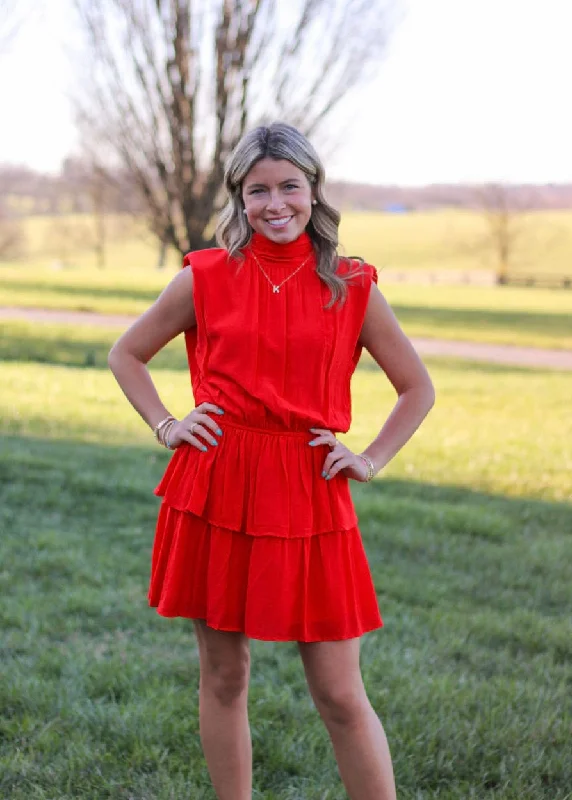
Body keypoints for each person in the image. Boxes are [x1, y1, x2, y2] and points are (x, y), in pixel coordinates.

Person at [108, 122, 435, 800]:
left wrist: (369, 459)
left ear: (314, 190)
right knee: (225, 678)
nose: (275, 202)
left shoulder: (352, 284)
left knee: (341, 691)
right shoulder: (204, 277)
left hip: (312, 491)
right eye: (259, 190)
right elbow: (126, 353)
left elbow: (417, 388)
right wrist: (168, 424)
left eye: (290, 185)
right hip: (218, 484)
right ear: (240, 198)